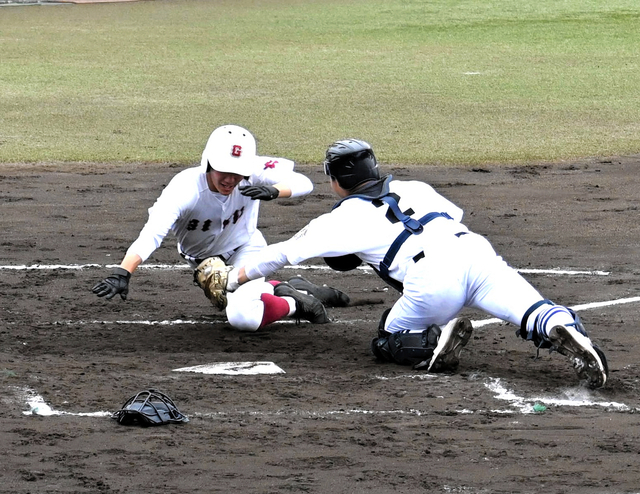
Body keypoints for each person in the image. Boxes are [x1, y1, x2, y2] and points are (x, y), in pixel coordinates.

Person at [227, 138, 608, 388]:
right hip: (476, 252)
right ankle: (562, 328)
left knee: (386, 338)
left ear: (337, 179)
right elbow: (448, 217)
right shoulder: (416, 187)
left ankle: (432, 341)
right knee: (531, 309)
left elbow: (278, 254)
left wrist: (235, 277)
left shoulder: (338, 220)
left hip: (432, 278)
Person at [92, 125, 349, 330]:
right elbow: (152, 233)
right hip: (205, 265)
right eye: (223, 171)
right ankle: (287, 287)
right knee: (232, 302)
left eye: (237, 172)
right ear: (208, 163)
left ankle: (297, 303)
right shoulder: (184, 189)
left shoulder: (254, 170)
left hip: (247, 249)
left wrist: (274, 191)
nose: (230, 179)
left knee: (242, 319)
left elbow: (304, 182)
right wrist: (123, 272)